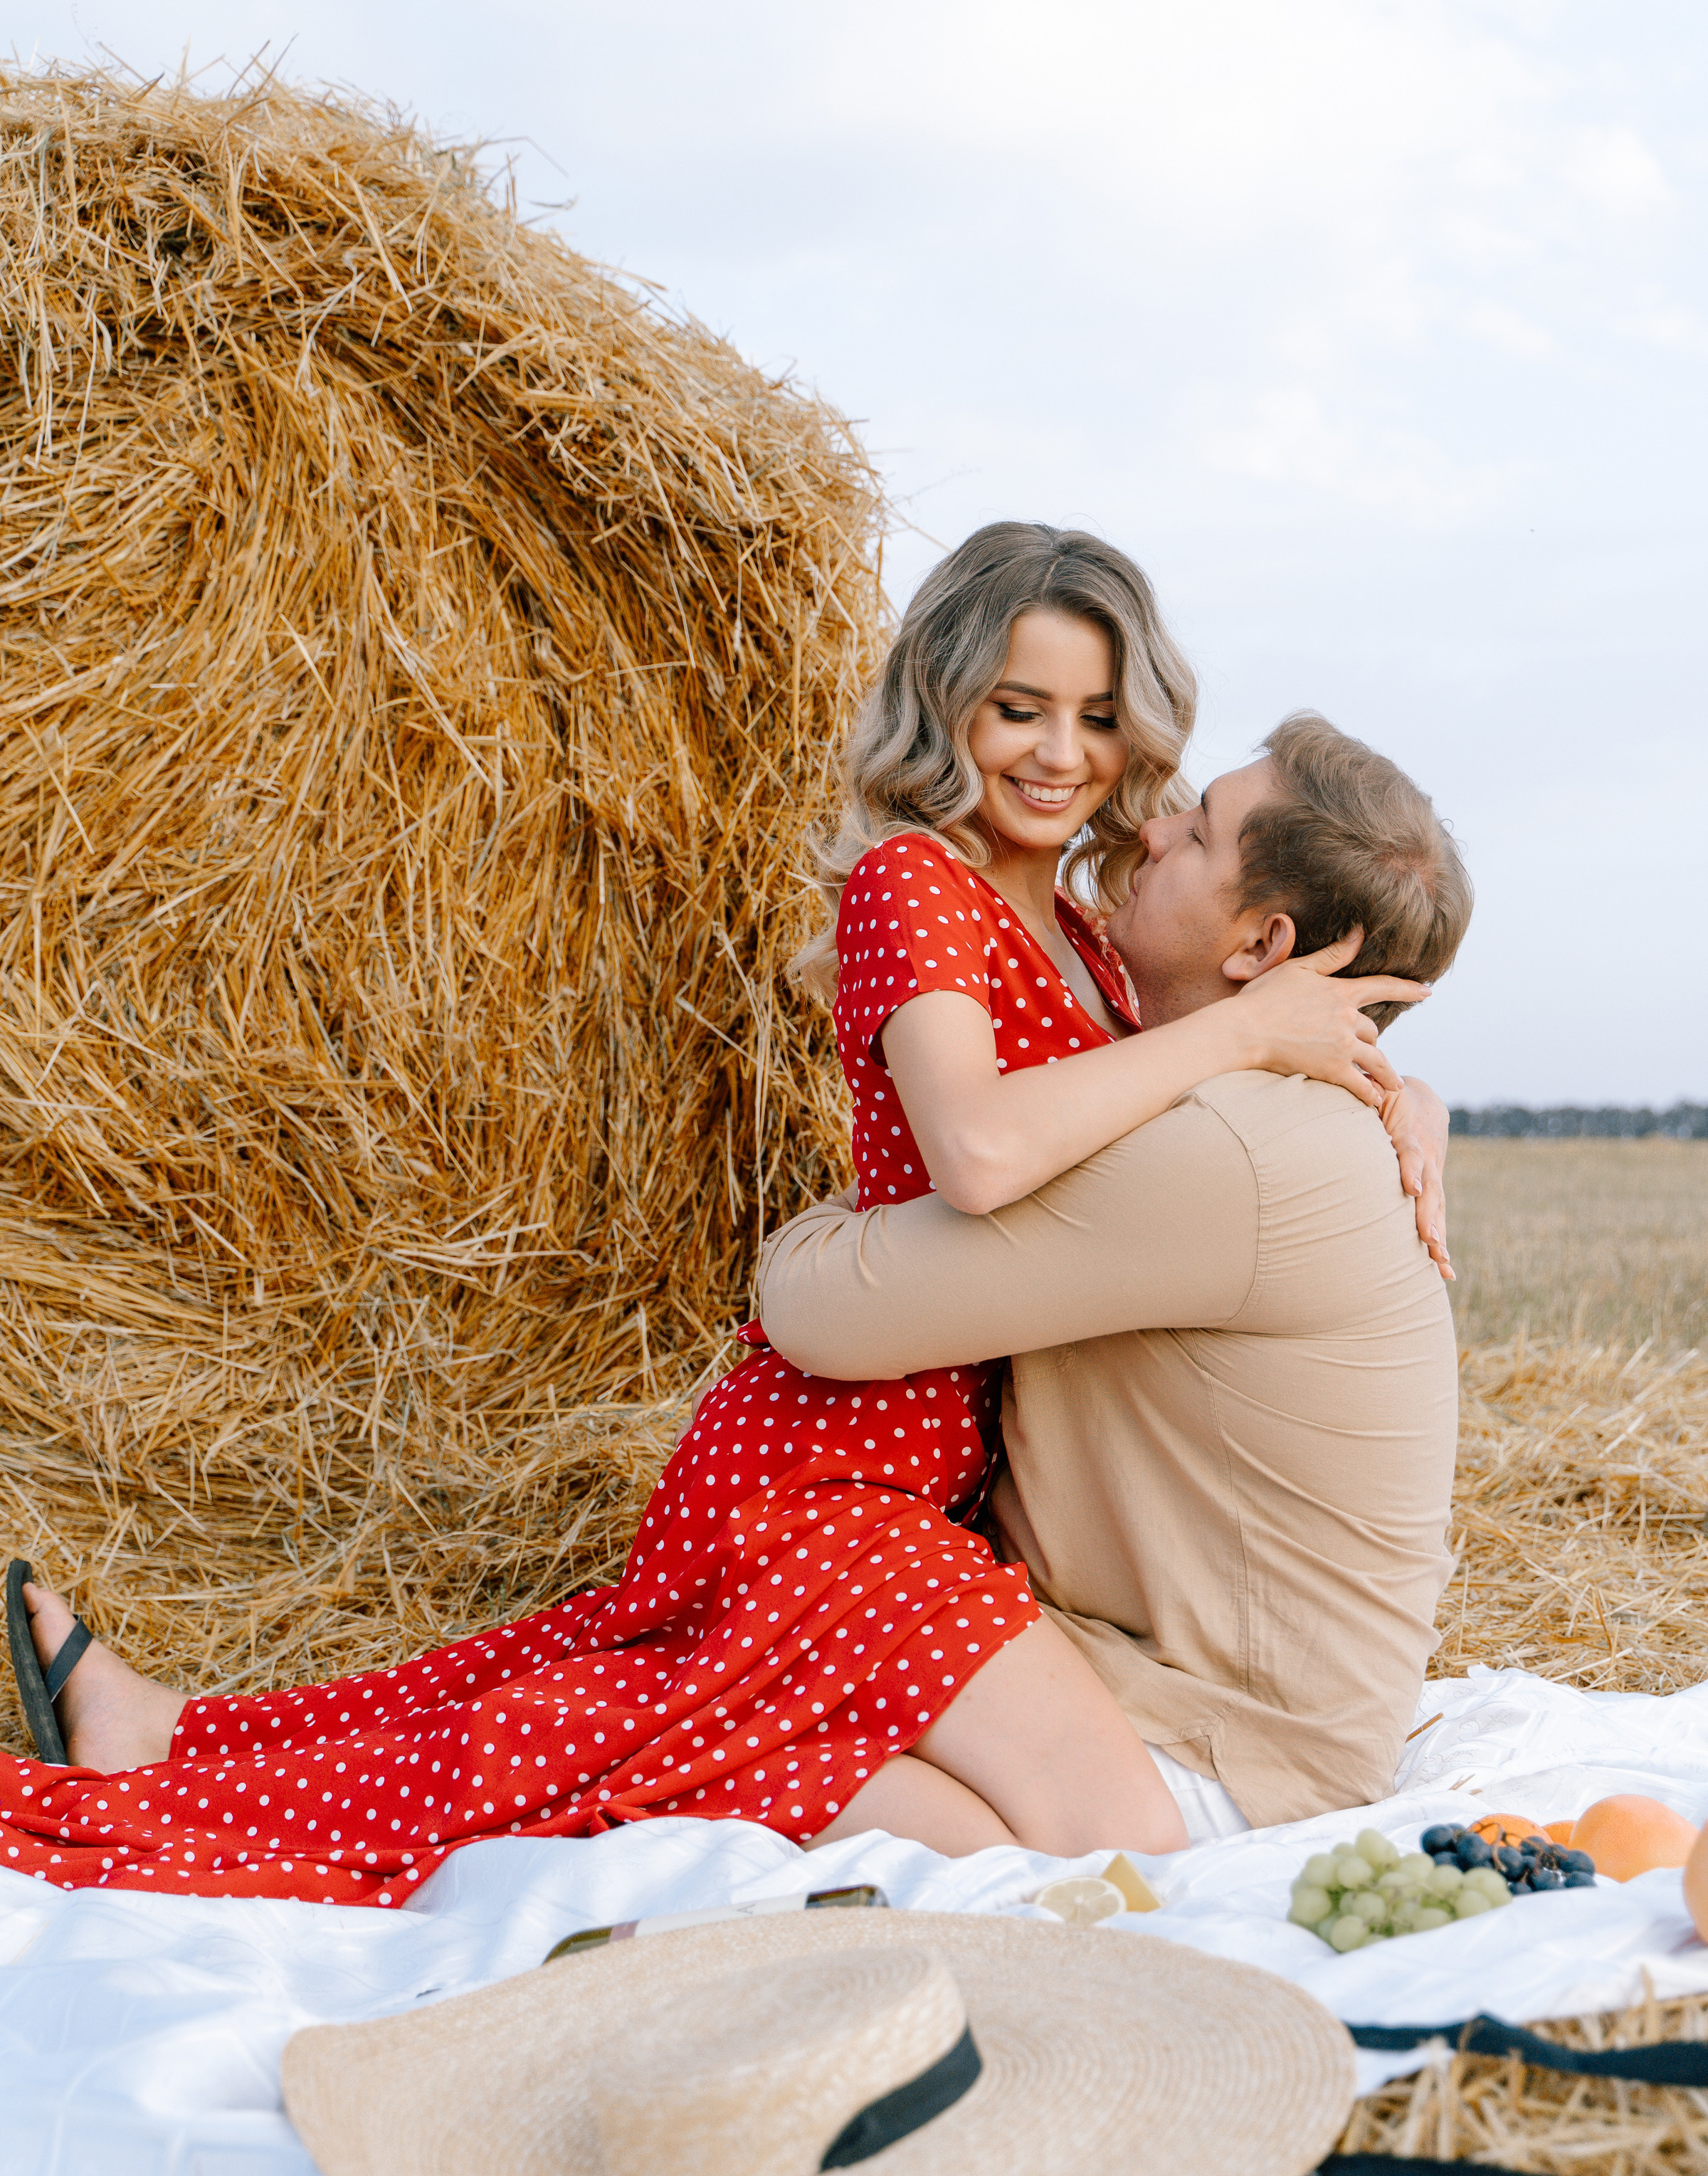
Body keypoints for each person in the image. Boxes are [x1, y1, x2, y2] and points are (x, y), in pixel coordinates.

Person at [4, 526, 1435, 1901]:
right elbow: (983, 1151)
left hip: (937, 1467)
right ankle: (150, 1802)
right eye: (1020, 709)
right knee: (628, 1739)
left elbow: (1187, 1128)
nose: (1065, 754)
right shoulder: (917, 884)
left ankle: (174, 1736)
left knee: (603, 1693)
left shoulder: (1088, 941)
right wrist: (1241, 1033)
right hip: (840, 1453)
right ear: (949, 704)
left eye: (1101, 717)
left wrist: (1392, 1093)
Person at [755, 710, 1473, 1831]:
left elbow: (822, 1309)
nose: (1151, 831)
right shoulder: (1270, 1118)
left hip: (1215, 1757)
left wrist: (853, 1205)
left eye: (1200, 831)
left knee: (713, 1759)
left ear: (1261, 948)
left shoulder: (1231, 1152)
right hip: (1190, 1702)